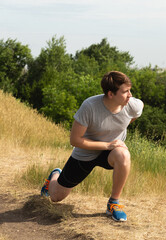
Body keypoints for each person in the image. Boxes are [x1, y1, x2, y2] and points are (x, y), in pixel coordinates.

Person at [40, 71, 143, 222]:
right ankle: (55, 175)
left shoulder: (133, 105)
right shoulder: (89, 106)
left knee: (123, 154)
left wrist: (114, 140)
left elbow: (131, 118)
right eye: (125, 91)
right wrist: (107, 144)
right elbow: (75, 140)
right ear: (110, 94)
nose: (130, 95)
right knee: (56, 197)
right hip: (86, 153)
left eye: (129, 90)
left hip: (111, 152)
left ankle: (113, 203)